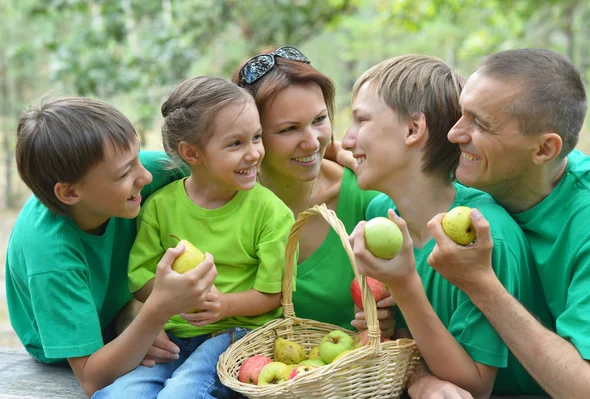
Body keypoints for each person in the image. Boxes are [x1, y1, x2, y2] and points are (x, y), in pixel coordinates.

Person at [341, 55, 553, 397]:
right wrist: (387, 330)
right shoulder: (382, 212)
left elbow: (472, 387)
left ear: (413, 130)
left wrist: (404, 285)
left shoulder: (481, 235)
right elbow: (412, 343)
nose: (347, 141)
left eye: (361, 121)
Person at [93, 76, 295, 399]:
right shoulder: (161, 206)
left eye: (256, 137)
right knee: (120, 395)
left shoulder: (272, 213)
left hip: (237, 335)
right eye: (235, 143)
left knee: (182, 393)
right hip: (173, 334)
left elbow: (271, 293)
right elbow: (140, 277)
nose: (254, 153)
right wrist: (170, 296)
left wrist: (224, 305)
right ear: (192, 153)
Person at [5, 97, 217, 397]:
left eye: (137, 158)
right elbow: (92, 378)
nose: (144, 176)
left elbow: (217, 179)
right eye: (124, 173)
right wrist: (156, 310)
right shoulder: (52, 257)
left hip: (124, 309)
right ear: (69, 192)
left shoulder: (146, 173)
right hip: (71, 351)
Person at [424, 48, 590, 398]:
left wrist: (481, 285)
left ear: (545, 149)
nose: (455, 134)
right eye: (462, 114)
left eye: (481, 124)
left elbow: (589, 390)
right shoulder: (467, 176)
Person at [232, 46, 391, 334]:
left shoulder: (367, 199)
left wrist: (391, 322)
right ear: (250, 136)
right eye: (288, 129)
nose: (312, 142)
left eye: (319, 120)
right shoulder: (223, 200)